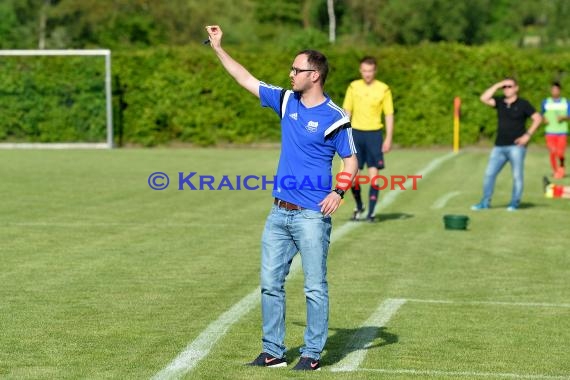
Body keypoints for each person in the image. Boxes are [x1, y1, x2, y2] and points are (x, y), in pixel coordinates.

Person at [204, 25, 358, 371]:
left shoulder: (335, 117)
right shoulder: (287, 100)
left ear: (314, 75)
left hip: (311, 216)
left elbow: (351, 160)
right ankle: (273, 351)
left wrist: (339, 190)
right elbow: (246, 79)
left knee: (314, 288)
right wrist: (218, 48)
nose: (290, 74)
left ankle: (312, 355)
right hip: (278, 214)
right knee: (270, 284)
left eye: (296, 69)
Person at [471, 77, 542, 211]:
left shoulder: (523, 104)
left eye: (509, 86)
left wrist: (527, 135)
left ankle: (514, 203)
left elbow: (538, 118)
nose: (506, 89)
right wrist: (498, 84)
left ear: (516, 88)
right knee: (489, 174)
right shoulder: (499, 102)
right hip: (499, 146)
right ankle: (485, 203)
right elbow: (484, 98)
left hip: (516, 147)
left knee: (516, 176)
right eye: (505, 87)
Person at [342, 56, 394, 222]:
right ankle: (359, 205)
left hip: (374, 135)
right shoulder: (353, 87)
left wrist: (388, 138)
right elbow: (346, 111)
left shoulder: (384, 89)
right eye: (364, 70)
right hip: (355, 134)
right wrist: (343, 135)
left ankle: (371, 213)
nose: (367, 74)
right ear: (360, 71)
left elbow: (389, 114)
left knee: (374, 175)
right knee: (353, 176)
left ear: (375, 71)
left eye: (370, 71)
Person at [541, 82, 570, 179]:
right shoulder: (546, 102)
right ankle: (556, 171)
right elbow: (542, 115)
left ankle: (561, 167)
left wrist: (564, 117)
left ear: (559, 91)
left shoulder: (566, 102)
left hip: (562, 132)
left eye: (556, 90)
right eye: (553, 90)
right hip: (550, 131)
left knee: (560, 153)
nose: (554, 91)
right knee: (553, 152)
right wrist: (544, 119)